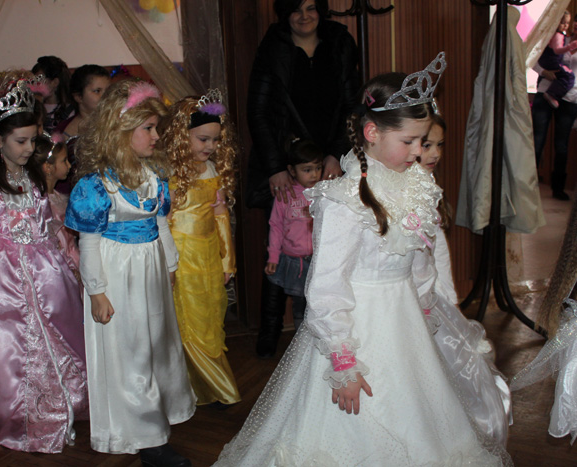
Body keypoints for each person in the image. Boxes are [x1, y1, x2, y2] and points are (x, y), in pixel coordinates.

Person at [215, 53, 512, 466]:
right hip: (360, 327)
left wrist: (427, 308)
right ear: (372, 132)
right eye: (409, 141)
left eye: (423, 141)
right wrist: (343, 361)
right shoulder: (344, 200)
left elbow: (420, 259)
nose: (418, 151)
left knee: (420, 420)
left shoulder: (417, 188)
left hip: (406, 322)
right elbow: (326, 284)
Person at [0, 79, 88, 453]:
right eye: (21, 141)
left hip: (44, 268)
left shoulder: (32, 178)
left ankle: (64, 398)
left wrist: (65, 255)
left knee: (59, 328)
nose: (29, 149)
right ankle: (15, 411)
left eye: (32, 140)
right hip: (5, 274)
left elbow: (46, 221)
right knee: (12, 341)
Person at [65, 80, 195, 466]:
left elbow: (161, 224)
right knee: (130, 351)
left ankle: (158, 415)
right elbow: (89, 244)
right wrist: (97, 291)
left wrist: (169, 265)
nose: (156, 136)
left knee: (156, 344)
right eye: (148, 128)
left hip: (150, 271)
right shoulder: (97, 186)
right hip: (117, 274)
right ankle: (146, 437)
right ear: (121, 132)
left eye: (156, 128)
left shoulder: (153, 177)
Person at [245, 0, 360, 357]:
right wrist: (276, 166)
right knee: (281, 247)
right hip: (288, 164)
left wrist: (336, 154)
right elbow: (258, 111)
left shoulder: (340, 42)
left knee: (329, 248)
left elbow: (352, 105)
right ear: (284, 12)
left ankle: (321, 328)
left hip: (330, 164)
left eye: (311, 6)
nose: (304, 15)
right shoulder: (273, 46)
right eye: (296, 8)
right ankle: (269, 331)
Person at [419, 112, 512, 446]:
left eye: (440, 145)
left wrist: (451, 300)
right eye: (427, 145)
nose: (436, 153)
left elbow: (439, 253)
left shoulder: (429, 186)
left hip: (432, 292)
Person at [161, 90, 240, 407]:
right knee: (187, 318)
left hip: (207, 254)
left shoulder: (212, 171)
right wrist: (167, 262)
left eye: (216, 140)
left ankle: (203, 382)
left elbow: (220, 216)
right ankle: (206, 385)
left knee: (209, 316)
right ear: (183, 136)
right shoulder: (171, 173)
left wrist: (227, 260)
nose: (210, 147)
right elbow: (163, 221)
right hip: (181, 256)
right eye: (203, 139)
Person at [265, 138, 323, 330]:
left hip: (319, 261)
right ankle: (300, 338)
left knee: (318, 303)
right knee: (299, 305)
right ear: (292, 170)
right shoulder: (286, 195)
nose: (314, 174)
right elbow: (276, 226)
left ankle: (316, 339)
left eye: (318, 168)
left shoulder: (324, 193)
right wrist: (273, 256)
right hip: (294, 261)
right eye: (307, 170)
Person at [533, 13, 577, 201]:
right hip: (545, 93)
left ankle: (558, 188)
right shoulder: (557, 37)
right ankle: (528, 187)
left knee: (561, 145)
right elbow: (534, 57)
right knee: (537, 141)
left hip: (570, 99)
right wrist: (544, 72)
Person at [55, 64, 111, 193]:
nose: (105, 97)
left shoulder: (117, 124)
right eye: (97, 91)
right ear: (78, 97)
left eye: (108, 91)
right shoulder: (63, 131)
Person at [36, 132, 79, 272]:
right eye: (64, 161)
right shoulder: (44, 205)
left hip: (74, 257)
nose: (69, 166)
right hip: (61, 265)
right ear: (48, 167)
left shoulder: (59, 197)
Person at [536, 11, 577, 109]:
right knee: (540, 118)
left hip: (571, 96)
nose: (576, 24)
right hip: (546, 89)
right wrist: (543, 72)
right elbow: (535, 59)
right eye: (576, 20)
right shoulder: (559, 39)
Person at [32, 56, 74, 132]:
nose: (34, 85)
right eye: (33, 81)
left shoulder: (71, 111)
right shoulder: (33, 108)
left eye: (39, 80)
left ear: (55, 82)